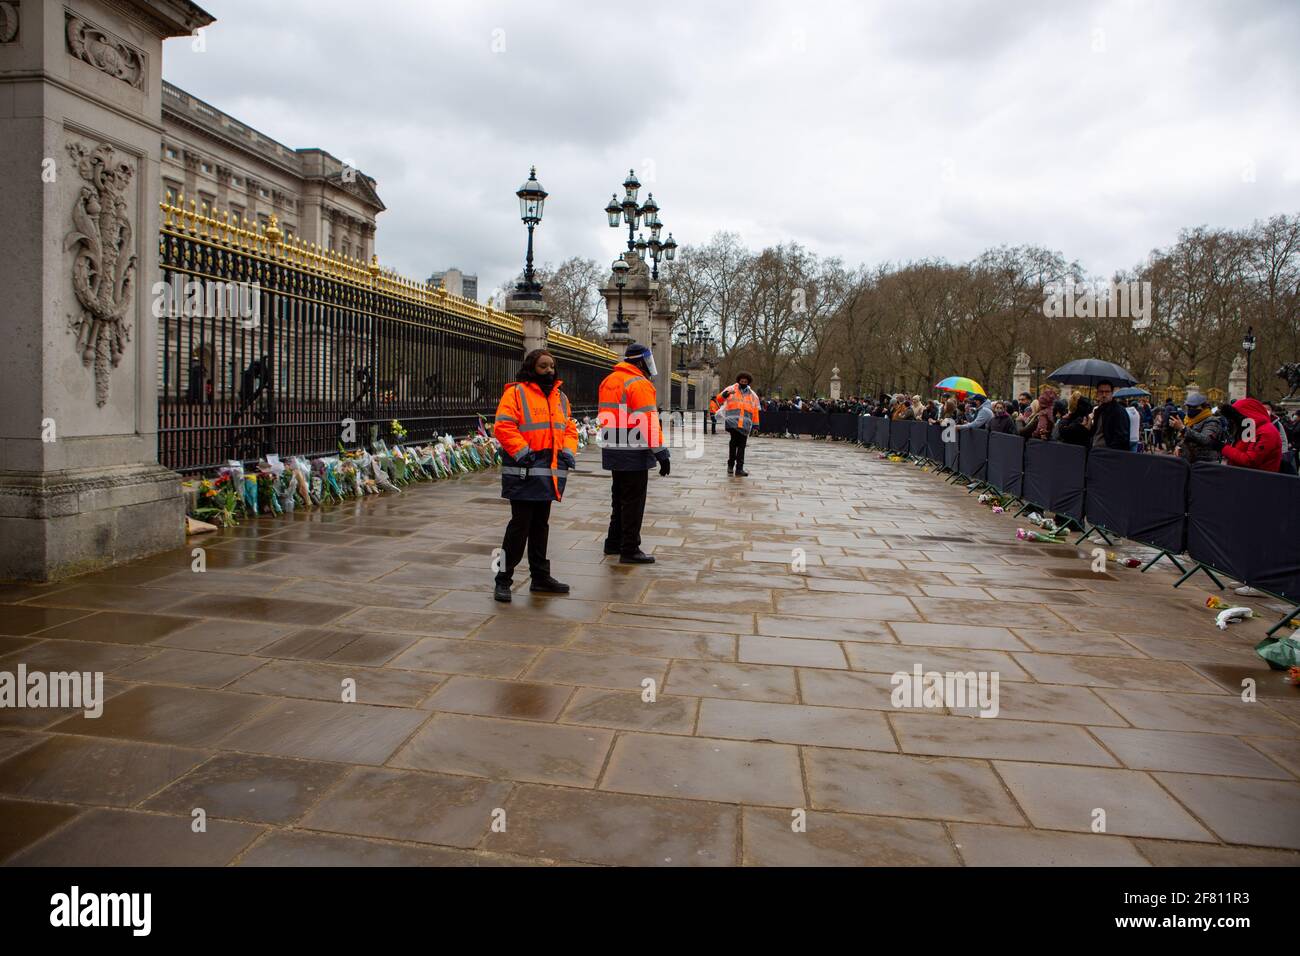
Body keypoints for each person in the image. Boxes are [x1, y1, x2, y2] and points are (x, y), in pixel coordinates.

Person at [491, 349, 579, 603]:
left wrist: (569, 450)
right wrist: (523, 452)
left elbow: (569, 428)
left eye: (552, 366)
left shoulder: (560, 397)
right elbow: (503, 426)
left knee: (540, 527)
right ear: (532, 367)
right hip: (523, 471)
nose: (549, 370)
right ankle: (502, 579)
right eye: (543, 366)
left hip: (549, 472)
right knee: (518, 528)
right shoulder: (516, 393)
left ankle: (540, 577)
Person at [599, 342, 671, 563]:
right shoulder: (639, 383)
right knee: (633, 502)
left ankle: (613, 542)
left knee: (618, 498)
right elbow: (647, 421)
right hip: (634, 450)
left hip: (613, 447)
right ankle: (630, 548)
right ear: (640, 361)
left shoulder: (609, 380)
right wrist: (661, 452)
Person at [714, 372, 761, 476]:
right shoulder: (731, 389)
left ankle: (738, 468)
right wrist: (724, 395)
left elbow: (755, 410)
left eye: (745, 381)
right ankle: (732, 465)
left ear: (748, 382)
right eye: (741, 381)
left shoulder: (752, 395)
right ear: (738, 380)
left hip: (745, 424)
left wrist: (756, 425)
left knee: (741, 446)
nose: (743, 382)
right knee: (735, 443)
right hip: (732, 422)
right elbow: (718, 399)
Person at [1219, 397, 1282, 472]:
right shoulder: (1251, 429)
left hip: (1259, 480)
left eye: (1236, 417)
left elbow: (1250, 460)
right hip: (1246, 477)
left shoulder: (1266, 432)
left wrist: (1223, 448)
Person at [1166, 392, 1225, 464]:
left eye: (1194, 407)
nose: (1191, 409)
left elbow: (1206, 440)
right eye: (1189, 407)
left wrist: (1183, 428)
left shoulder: (1212, 420)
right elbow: (1183, 437)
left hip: (1205, 463)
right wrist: (1178, 446)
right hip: (1187, 461)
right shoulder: (1188, 419)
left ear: (1203, 407)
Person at [1088, 379, 1131, 450]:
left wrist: (1110, 452)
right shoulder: (1098, 410)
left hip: (1108, 454)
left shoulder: (1118, 411)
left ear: (1112, 393)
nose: (1104, 395)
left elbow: (1122, 437)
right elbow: (1096, 432)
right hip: (1095, 451)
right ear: (1097, 393)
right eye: (1101, 392)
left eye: (1107, 392)